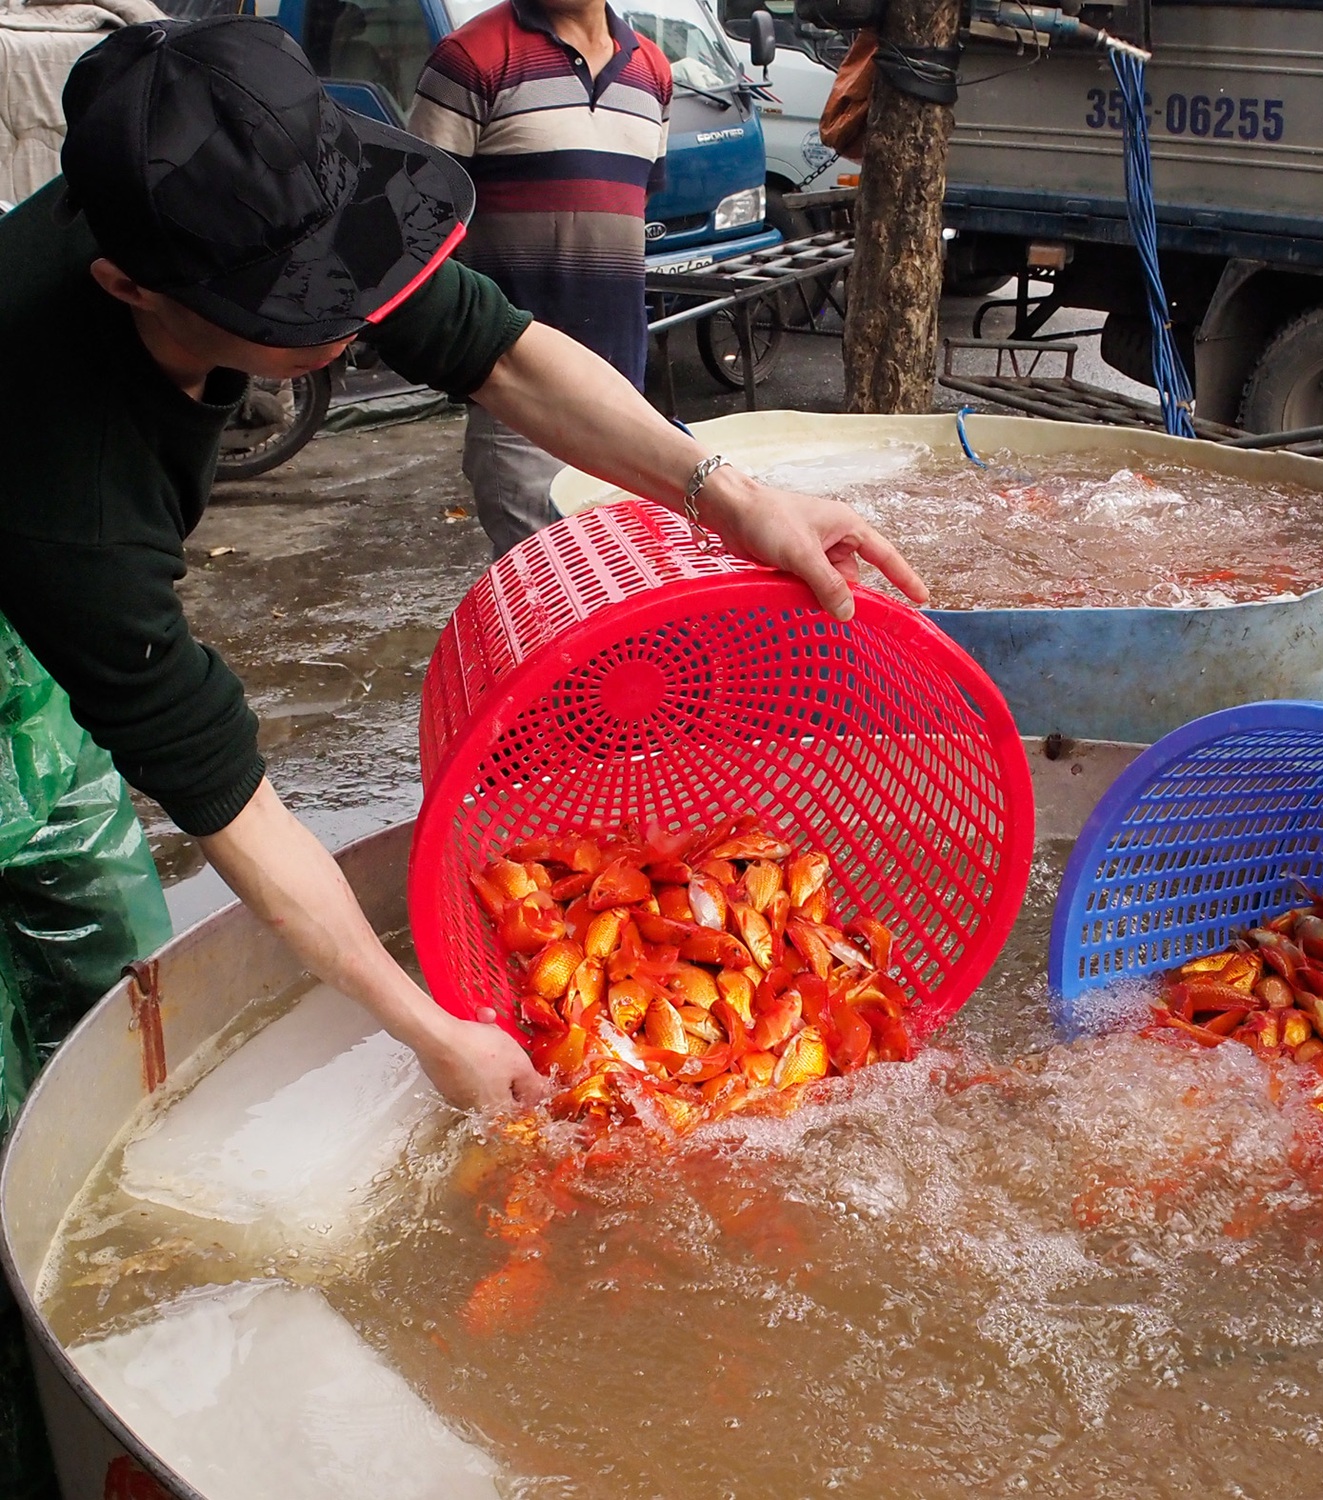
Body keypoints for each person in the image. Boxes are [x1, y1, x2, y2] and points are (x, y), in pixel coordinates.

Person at [0, 17, 923, 1493]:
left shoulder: (253, 194)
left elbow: (496, 348)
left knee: (96, 942)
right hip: (23, 591)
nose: (351, 323)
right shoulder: (61, 488)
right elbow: (228, 796)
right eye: (304, 310)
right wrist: (430, 1031)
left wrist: (730, 497)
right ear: (129, 288)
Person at [407, 0, 676, 558]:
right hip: (520, 399)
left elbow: (631, 201)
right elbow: (416, 224)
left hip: (624, 395)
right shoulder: (470, 59)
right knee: (560, 600)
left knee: (621, 597)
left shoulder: (653, 71)